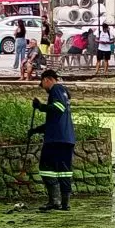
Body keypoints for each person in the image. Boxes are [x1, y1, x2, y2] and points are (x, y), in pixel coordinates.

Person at [26, 69, 73, 211]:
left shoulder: (56, 89)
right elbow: (54, 121)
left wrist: (40, 106)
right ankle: (65, 203)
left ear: (46, 79)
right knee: (64, 171)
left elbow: (58, 108)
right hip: (66, 138)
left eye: (43, 84)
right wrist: (36, 130)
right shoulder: (64, 93)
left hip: (55, 140)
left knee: (46, 168)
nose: (44, 89)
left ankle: (54, 201)